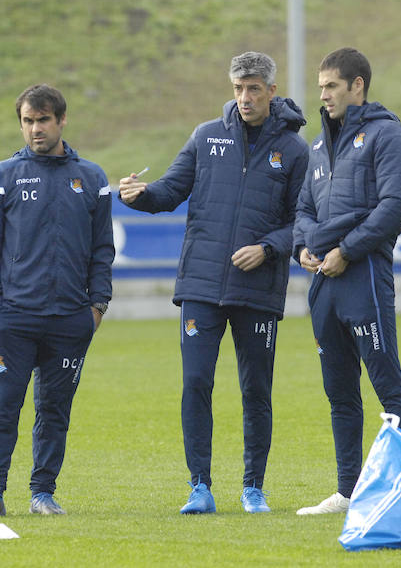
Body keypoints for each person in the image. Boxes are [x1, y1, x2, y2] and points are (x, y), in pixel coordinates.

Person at [118, 52, 309, 514]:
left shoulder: (296, 150)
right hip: (202, 286)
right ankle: (199, 487)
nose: (245, 98)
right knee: (196, 383)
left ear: (271, 92)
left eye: (254, 89)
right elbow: (168, 191)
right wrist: (140, 196)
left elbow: (304, 220)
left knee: (255, 389)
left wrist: (266, 248)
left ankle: (253, 488)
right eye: (238, 88)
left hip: (258, 290)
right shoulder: (206, 138)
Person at [0, 84, 114, 518]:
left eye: (43, 120)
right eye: (28, 121)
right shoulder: (2, 176)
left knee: (54, 409)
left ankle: (42, 493)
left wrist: (97, 305)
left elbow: (102, 249)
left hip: (71, 318)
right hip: (13, 318)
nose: (35, 129)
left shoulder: (93, 179)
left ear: (61, 120)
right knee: (3, 406)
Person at [292, 47, 401, 515]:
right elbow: (303, 209)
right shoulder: (319, 146)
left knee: (388, 387)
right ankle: (349, 492)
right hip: (322, 284)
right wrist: (303, 247)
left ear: (357, 85)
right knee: (339, 390)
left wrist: (347, 250)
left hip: (363, 276)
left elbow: (393, 206)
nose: (322, 95)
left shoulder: (388, 137)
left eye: (330, 86)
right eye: (321, 86)